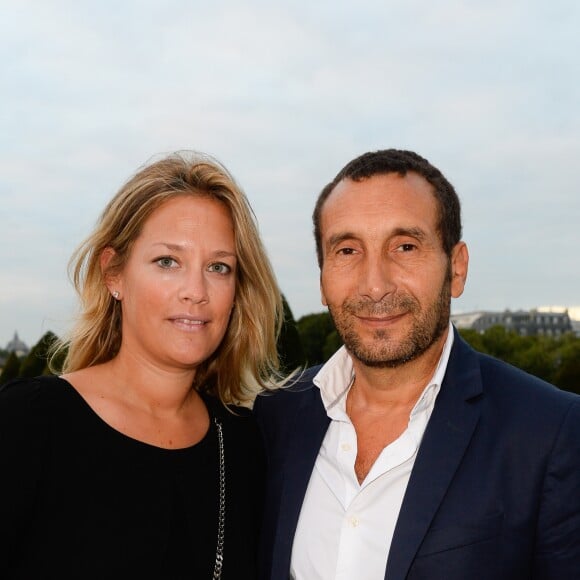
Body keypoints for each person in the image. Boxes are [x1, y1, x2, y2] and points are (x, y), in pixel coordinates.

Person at [254, 149, 580, 579]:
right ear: (321, 279)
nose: (375, 285)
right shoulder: (274, 418)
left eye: (405, 246)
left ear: (457, 268)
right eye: (348, 250)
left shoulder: (548, 432)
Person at [0, 151, 283, 579]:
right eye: (168, 262)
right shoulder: (26, 424)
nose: (196, 291)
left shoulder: (246, 445)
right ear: (114, 274)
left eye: (219, 267)